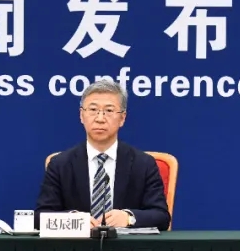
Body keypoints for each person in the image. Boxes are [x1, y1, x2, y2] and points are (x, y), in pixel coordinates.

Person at [36, 80, 170, 230]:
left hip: (126, 244)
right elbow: (40, 216)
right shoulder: (60, 164)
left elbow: (161, 216)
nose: (100, 119)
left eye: (109, 111)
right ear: (81, 115)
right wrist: (74, 220)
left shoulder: (143, 164)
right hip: (77, 244)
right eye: (93, 110)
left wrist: (128, 217)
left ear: (122, 118)